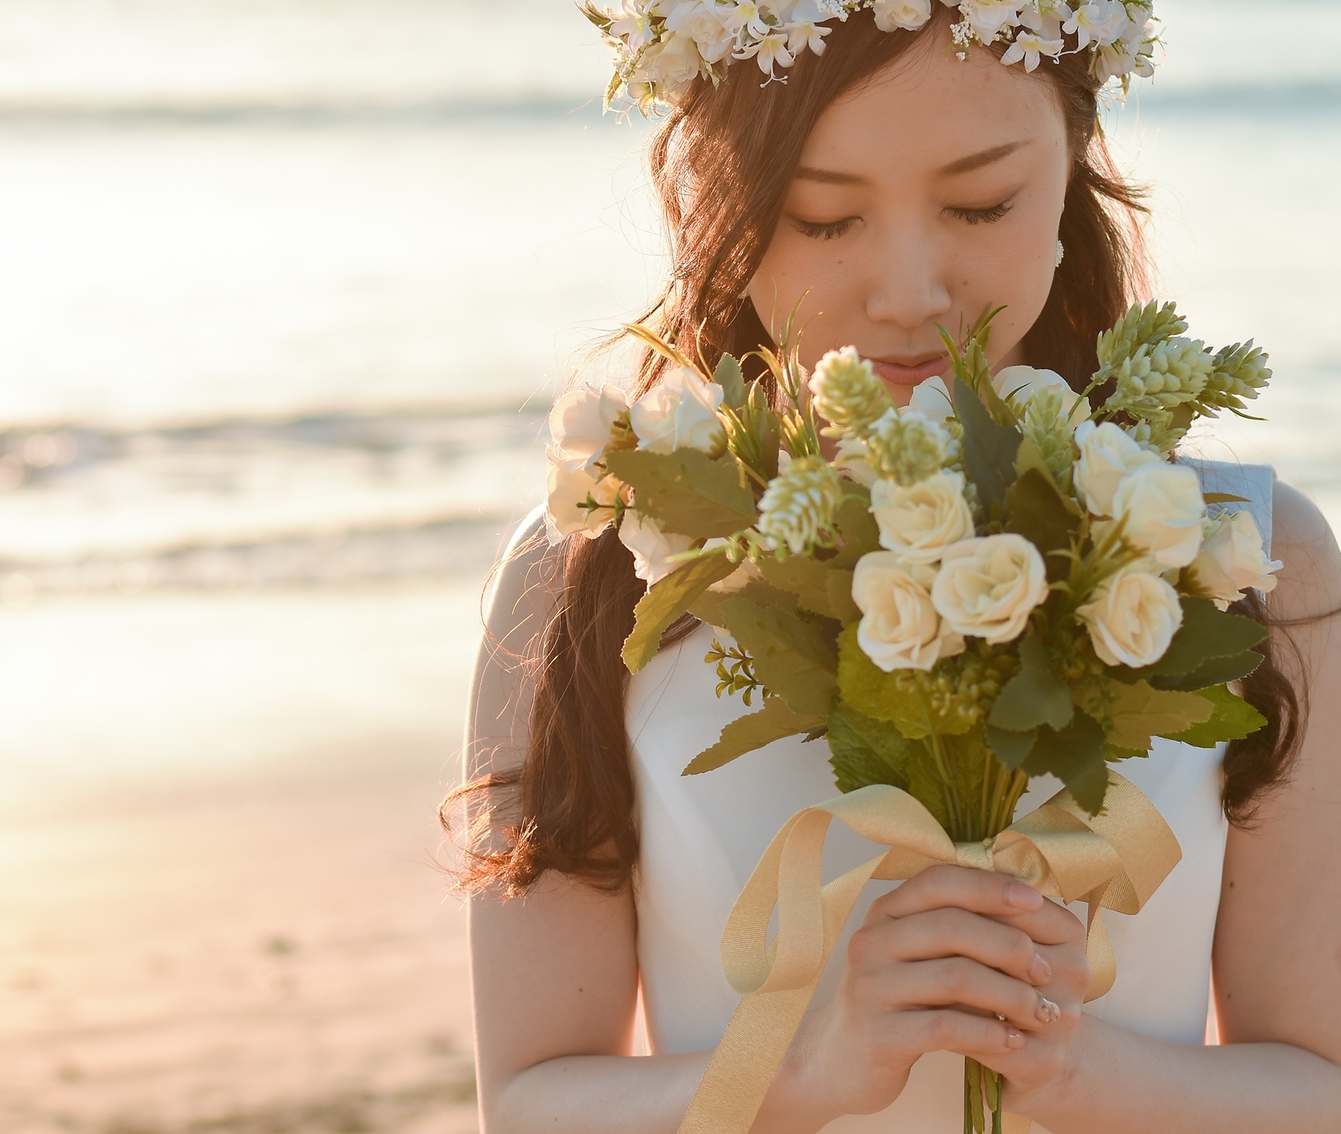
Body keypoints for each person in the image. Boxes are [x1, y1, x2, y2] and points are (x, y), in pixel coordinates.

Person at [450, 7, 1341, 1134]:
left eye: (980, 203)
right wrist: (805, 1071)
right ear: (723, 201)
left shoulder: (1248, 561)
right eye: (823, 216)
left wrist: (1077, 1073)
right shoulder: (589, 572)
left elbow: (1320, 1087)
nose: (908, 289)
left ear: (1072, 167)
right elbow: (528, 1105)